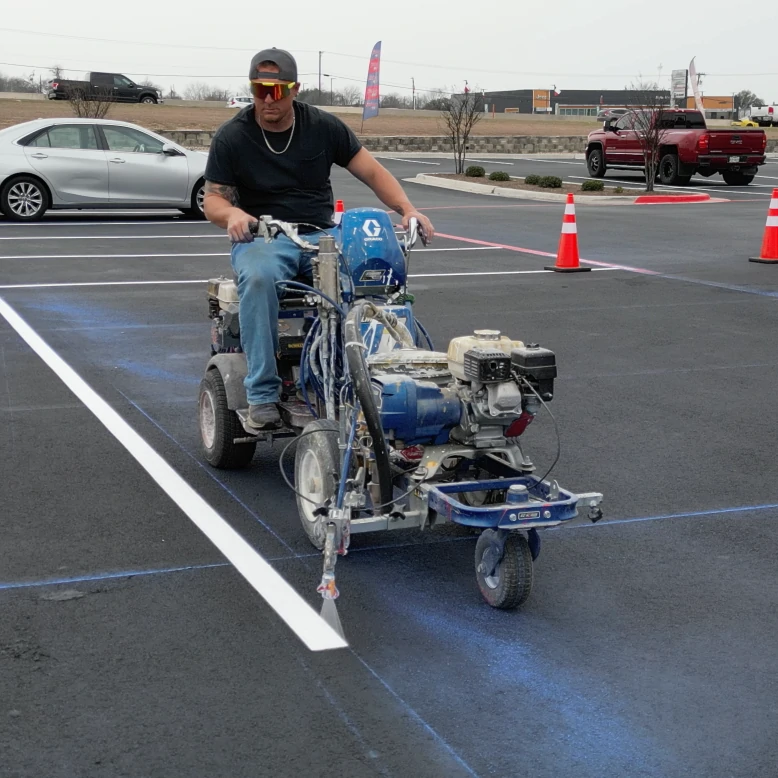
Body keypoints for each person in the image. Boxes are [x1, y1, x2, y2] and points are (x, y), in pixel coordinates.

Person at [203, 47, 435, 429]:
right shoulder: (233, 136)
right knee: (259, 280)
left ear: (295, 89)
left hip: (322, 235)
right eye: (259, 89)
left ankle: (366, 377)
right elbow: (213, 198)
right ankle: (262, 392)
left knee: (370, 277)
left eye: (276, 90)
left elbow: (373, 172)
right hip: (265, 236)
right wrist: (233, 215)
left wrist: (407, 209)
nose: (267, 99)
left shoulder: (323, 127)